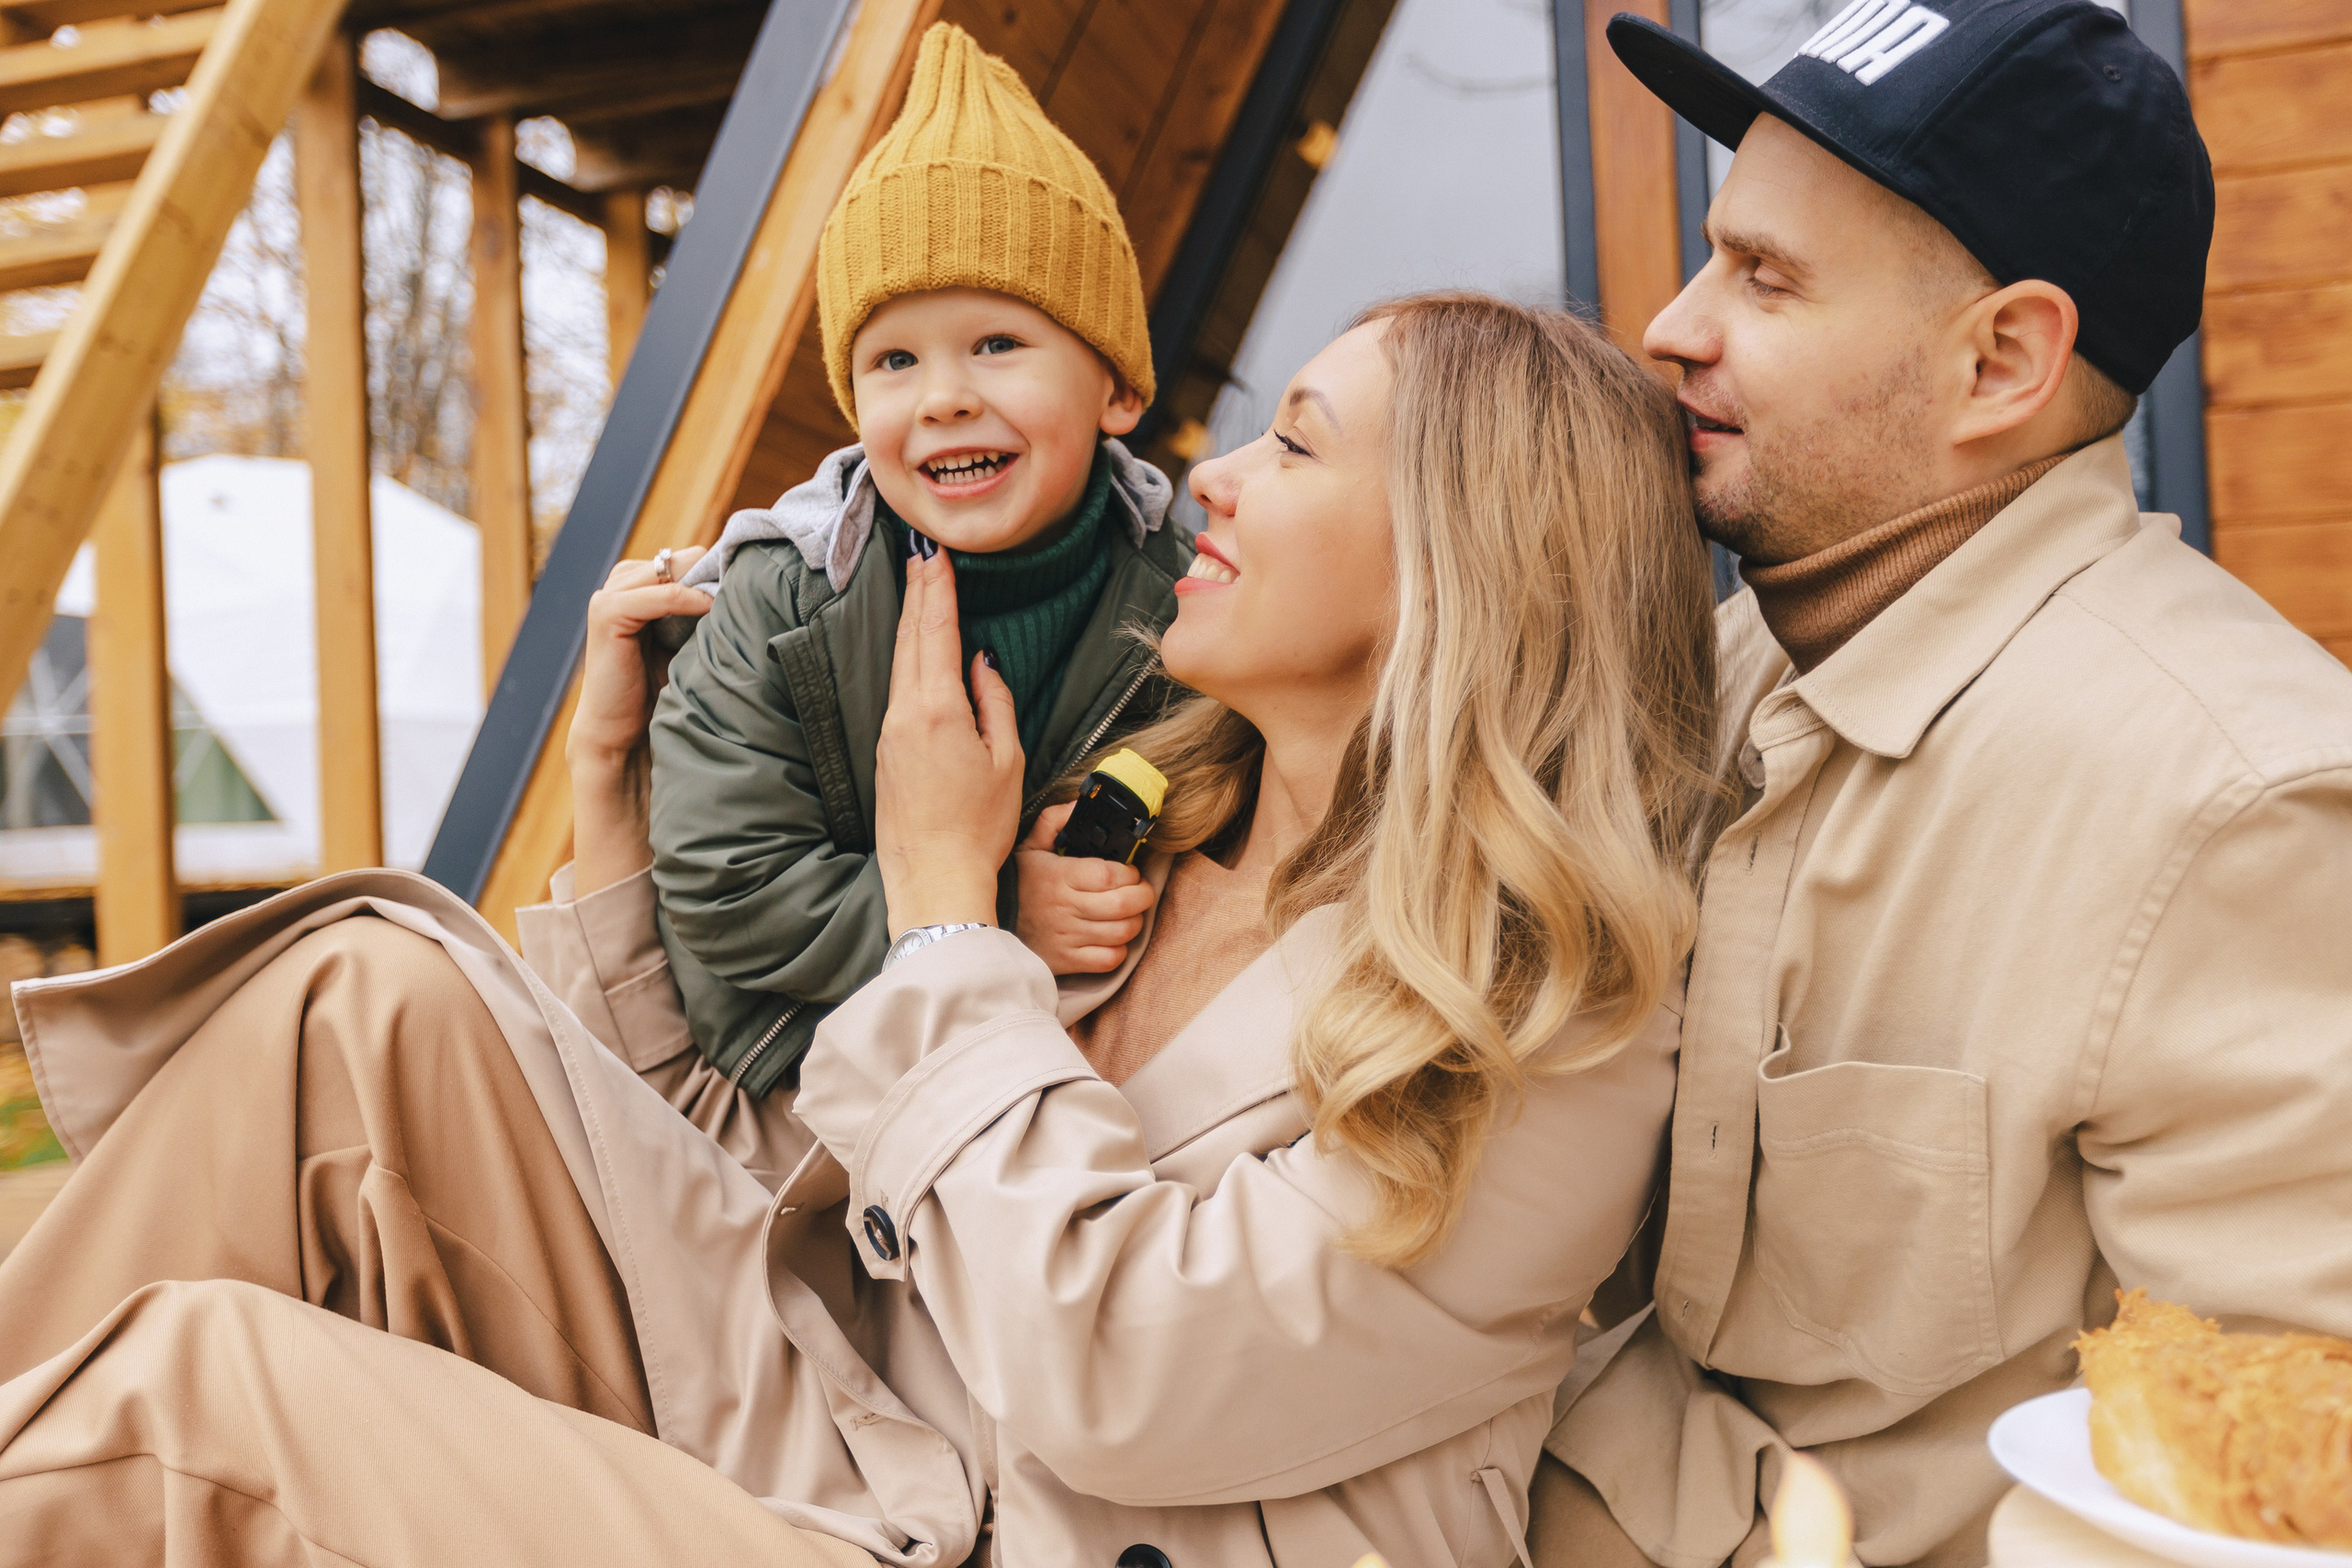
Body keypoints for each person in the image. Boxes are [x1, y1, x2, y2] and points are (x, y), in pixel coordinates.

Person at [0, 293, 1719, 1568]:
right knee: (353, 990)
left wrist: (942, 916)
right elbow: (796, 1180)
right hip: (847, 1424)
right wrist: (620, 807)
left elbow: (1121, 1371)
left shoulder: (1541, 1001)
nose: (1212, 478)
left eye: (1297, 441)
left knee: (188, 1385)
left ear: (1461, 557)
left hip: (980, 1533)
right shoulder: (1141, 829)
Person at [1534, 6, 2352, 1566]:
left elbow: (2268, 1504)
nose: (1672, 325)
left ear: (2002, 361)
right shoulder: (1699, 676)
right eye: (1715, 255)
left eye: (1764, 276)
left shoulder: (2235, 804)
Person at [649, 21, 1192, 1100]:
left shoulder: (1185, 590)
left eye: (997, 343)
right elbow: (723, 882)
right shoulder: (785, 594)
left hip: (1081, 1071)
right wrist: (993, 912)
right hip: (798, 1078)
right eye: (893, 360)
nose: (942, 394)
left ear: (1118, 391)